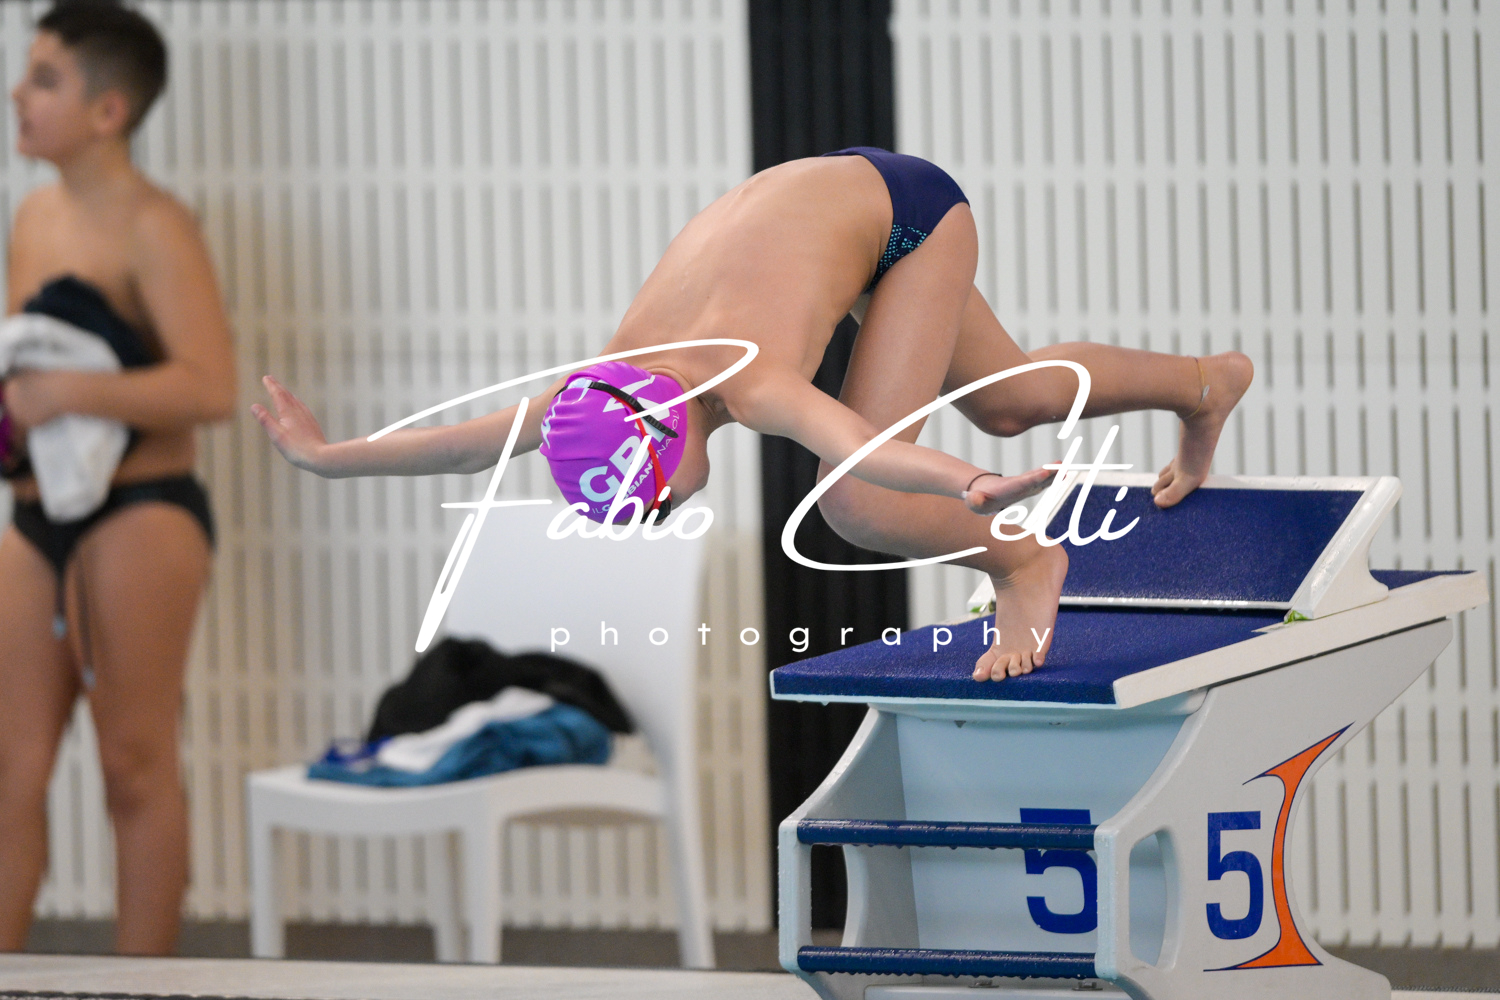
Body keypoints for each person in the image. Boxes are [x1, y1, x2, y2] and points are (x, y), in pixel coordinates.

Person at [254, 147, 1251, 684]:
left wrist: (974, 491)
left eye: (653, 504)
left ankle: (1025, 562)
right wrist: (327, 456)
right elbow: (469, 447)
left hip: (908, 215)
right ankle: (1207, 383)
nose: (664, 515)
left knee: (855, 501)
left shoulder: (750, 379)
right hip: (831, 199)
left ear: (667, 440)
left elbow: (864, 449)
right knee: (1011, 398)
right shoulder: (599, 390)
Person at [0, 2, 235, 955]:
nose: (17, 94)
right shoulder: (33, 218)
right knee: (10, 768)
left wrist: (66, 392)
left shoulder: (155, 227)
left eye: (44, 79)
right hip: (34, 517)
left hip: (141, 513)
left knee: (134, 766)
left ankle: (147, 980)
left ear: (109, 111)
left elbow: (210, 385)